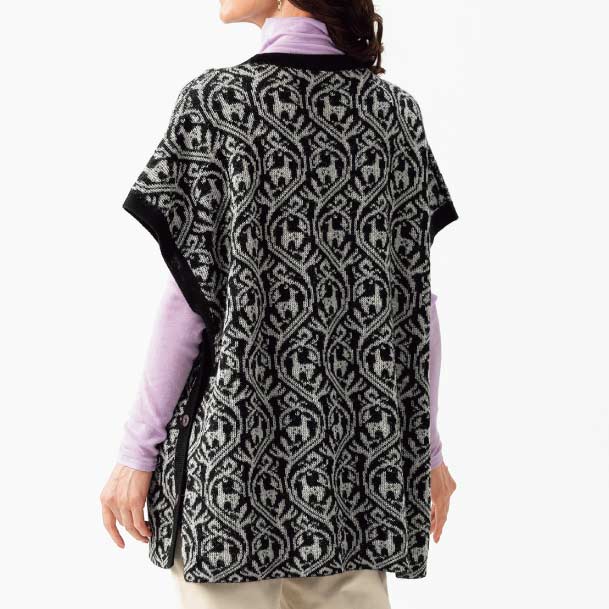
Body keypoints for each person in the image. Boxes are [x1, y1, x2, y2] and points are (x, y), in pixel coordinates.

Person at [100, 1, 458, 607]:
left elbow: (189, 303)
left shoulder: (218, 105)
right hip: (357, 484)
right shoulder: (394, 115)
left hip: (233, 484)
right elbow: (413, 310)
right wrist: (427, 451)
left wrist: (136, 454)